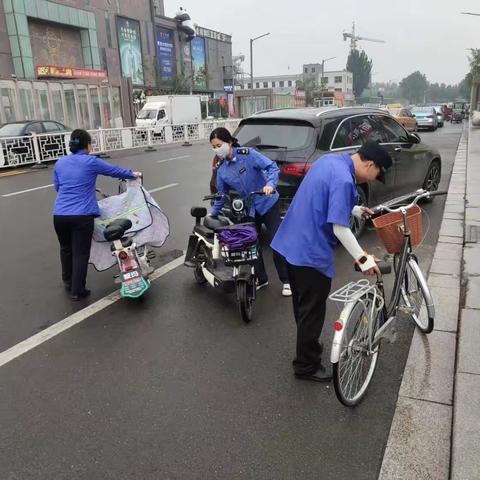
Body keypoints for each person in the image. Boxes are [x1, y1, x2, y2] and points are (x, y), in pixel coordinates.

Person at [271, 141, 393, 382]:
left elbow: (322, 196)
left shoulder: (330, 161)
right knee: (312, 311)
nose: (370, 180)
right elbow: (340, 229)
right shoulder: (345, 180)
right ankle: (306, 366)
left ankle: (308, 349)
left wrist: (354, 208)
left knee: (303, 306)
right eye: (375, 175)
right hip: (310, 253)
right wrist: (364, 258)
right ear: (369, 164)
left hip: (289, 245)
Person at [53, 129, 142, 301]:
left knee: (66, 249)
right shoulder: (91, 161)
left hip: (59, 215)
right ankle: (78, 291)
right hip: (81, 216)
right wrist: (133, 174)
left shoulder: (60, 162)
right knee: (80, 253)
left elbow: (58, 187)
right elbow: (114, 171)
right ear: (87, 145)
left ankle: (68, 282)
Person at [209, 127, 291, 296]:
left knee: (276, 243)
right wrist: (213, 214)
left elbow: (272, 167)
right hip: (249, 209)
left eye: (219, 145)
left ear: (230, 142)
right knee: (251, 245)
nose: (217, 149)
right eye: (214, 147)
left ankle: (287, 280)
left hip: (268, 203)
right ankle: (261, 278)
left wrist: (270, 184)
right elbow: (222, 195)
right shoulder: (222, 169)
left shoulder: (248, 154)